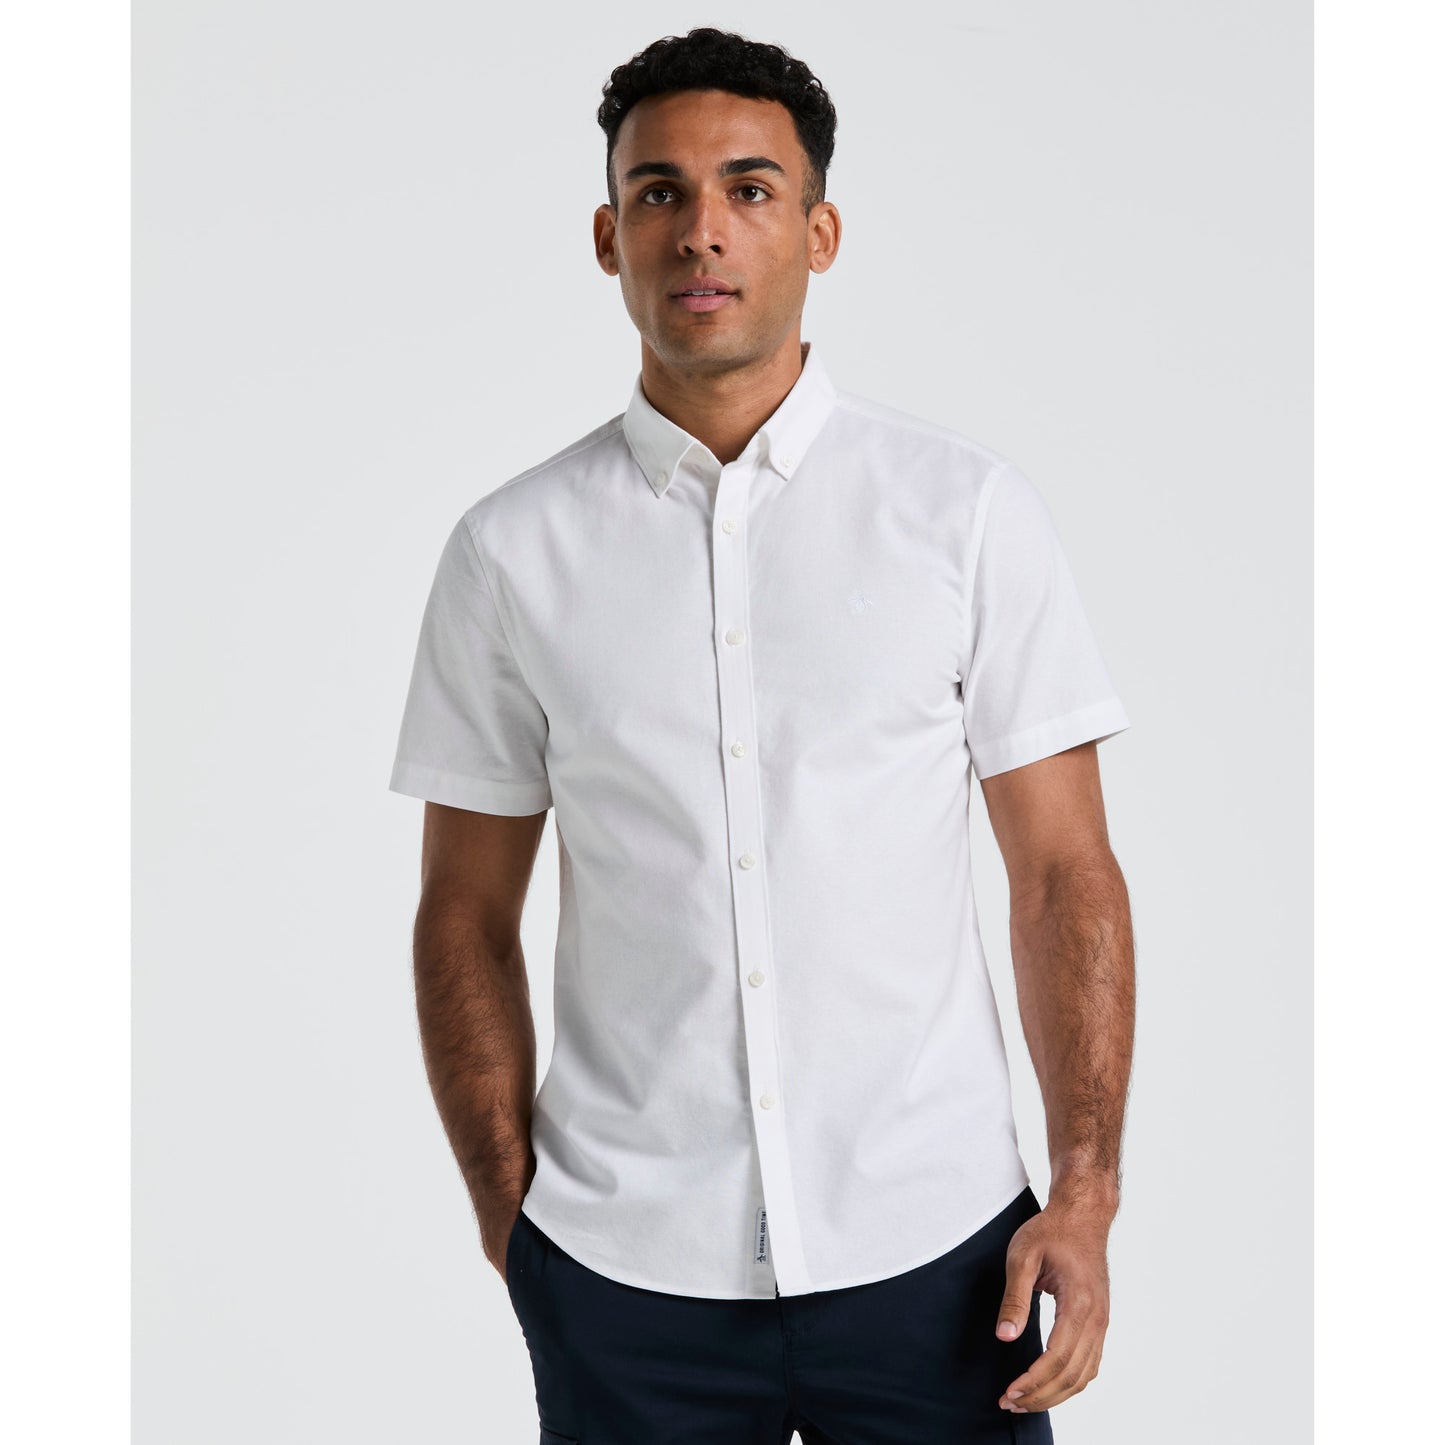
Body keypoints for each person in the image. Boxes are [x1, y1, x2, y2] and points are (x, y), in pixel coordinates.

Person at [388, 26, 1135, 1445]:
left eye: (748, 188)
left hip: (941, 1255)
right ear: (607, 237)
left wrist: (1084, 1192)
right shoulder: (508, 553)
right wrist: (514, 1227)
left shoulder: (965, 516)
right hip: (622, 1271)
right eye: (658, 193)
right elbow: (463, 913)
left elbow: (1062, 875)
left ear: (819, 232)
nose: (702, 231)